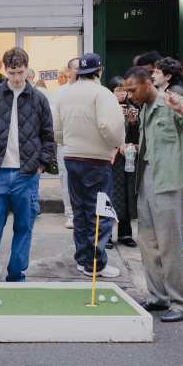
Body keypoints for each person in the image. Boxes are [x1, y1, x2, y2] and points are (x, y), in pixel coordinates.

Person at [124, 66, 183, 322]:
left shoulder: (171, 101)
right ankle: (158, 296)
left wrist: (182, 110)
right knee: (148, 242)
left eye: (133, 89)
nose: (129, 95)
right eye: (127, 90)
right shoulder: (144, 109)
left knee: (170, 244)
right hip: (147, 179)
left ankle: (181, 302)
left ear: (147, 83)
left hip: (171, 181)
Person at [0, 48, 55, 282]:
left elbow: (48, 136)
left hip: (26, 174)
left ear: (27, 68)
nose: (17, 78)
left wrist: (41, 165)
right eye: (12, 73)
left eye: (20, 72)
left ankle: (16, 276)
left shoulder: (39, 98)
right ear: (5, 71)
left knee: (24, 229)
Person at [53, 53, 125, 278]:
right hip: (97, 160)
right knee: (100, 213)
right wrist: (116, 144)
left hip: (71, 156)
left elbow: (56, 129)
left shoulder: (64, 94)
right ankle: (96, 264)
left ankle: (83, 259)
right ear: (100, 71)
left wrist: (68, 143)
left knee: (80, 212)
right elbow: (109, 128)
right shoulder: (102, 94)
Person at [152, 57, 183, 251]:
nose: (153, 74)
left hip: (179, 152)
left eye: (157, 72)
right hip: (170, 153)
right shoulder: (162, 92)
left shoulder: (175, 93)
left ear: (168, 76)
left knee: (178, 196)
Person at [107, 77, 138, 249]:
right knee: (112, 196)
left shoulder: (133, 108)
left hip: (129, 159)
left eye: (123, 89)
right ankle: (107, 235)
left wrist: (133, 123)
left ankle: (126, 233)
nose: (121, 93)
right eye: (117, 89)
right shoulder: (107, 108)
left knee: (127, 196)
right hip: (112, 160)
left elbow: (136, 135)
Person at [51, 57, 79, 229]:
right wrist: (60, 140)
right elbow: (55, 119)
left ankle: (82, 212)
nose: (78, 71)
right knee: (66, 178)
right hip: (65, 143)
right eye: (75, 68)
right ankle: (70, 213)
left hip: (85, 143)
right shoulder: (59, 92)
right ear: (68, 71)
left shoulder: (92, 90)